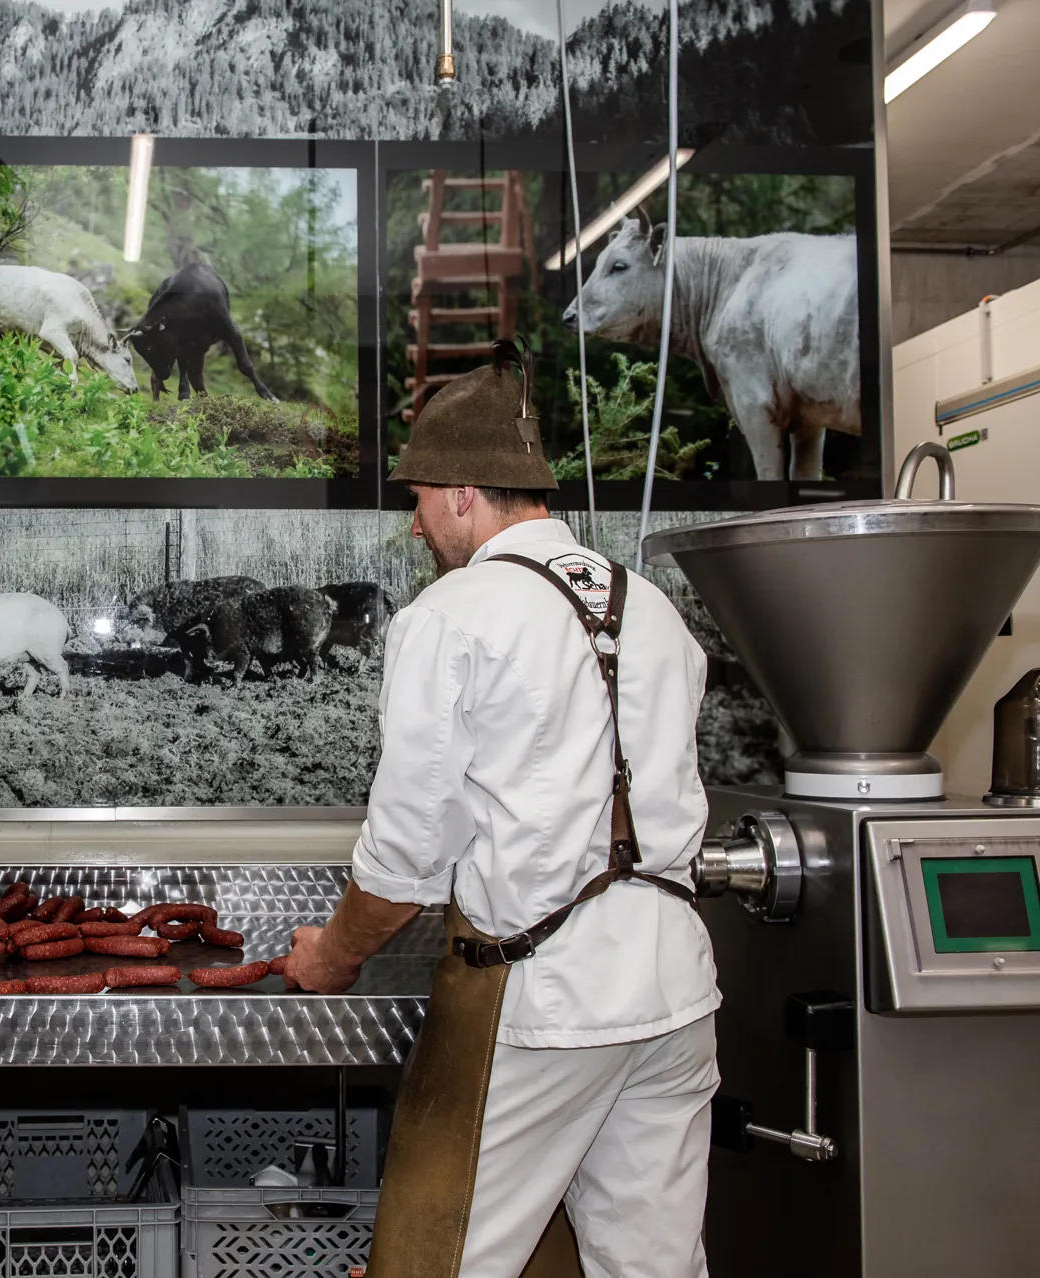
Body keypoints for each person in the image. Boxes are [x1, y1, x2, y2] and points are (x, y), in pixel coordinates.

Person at [284, 343, 718, 1278]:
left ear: (460, 494)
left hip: (543, 1005)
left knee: (439, 1260)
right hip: (675, 997)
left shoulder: (454, 614)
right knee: (652, 1267)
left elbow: (405, 860)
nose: (413, 527)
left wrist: (332, 955)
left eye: (416, 500)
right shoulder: (652, 609)